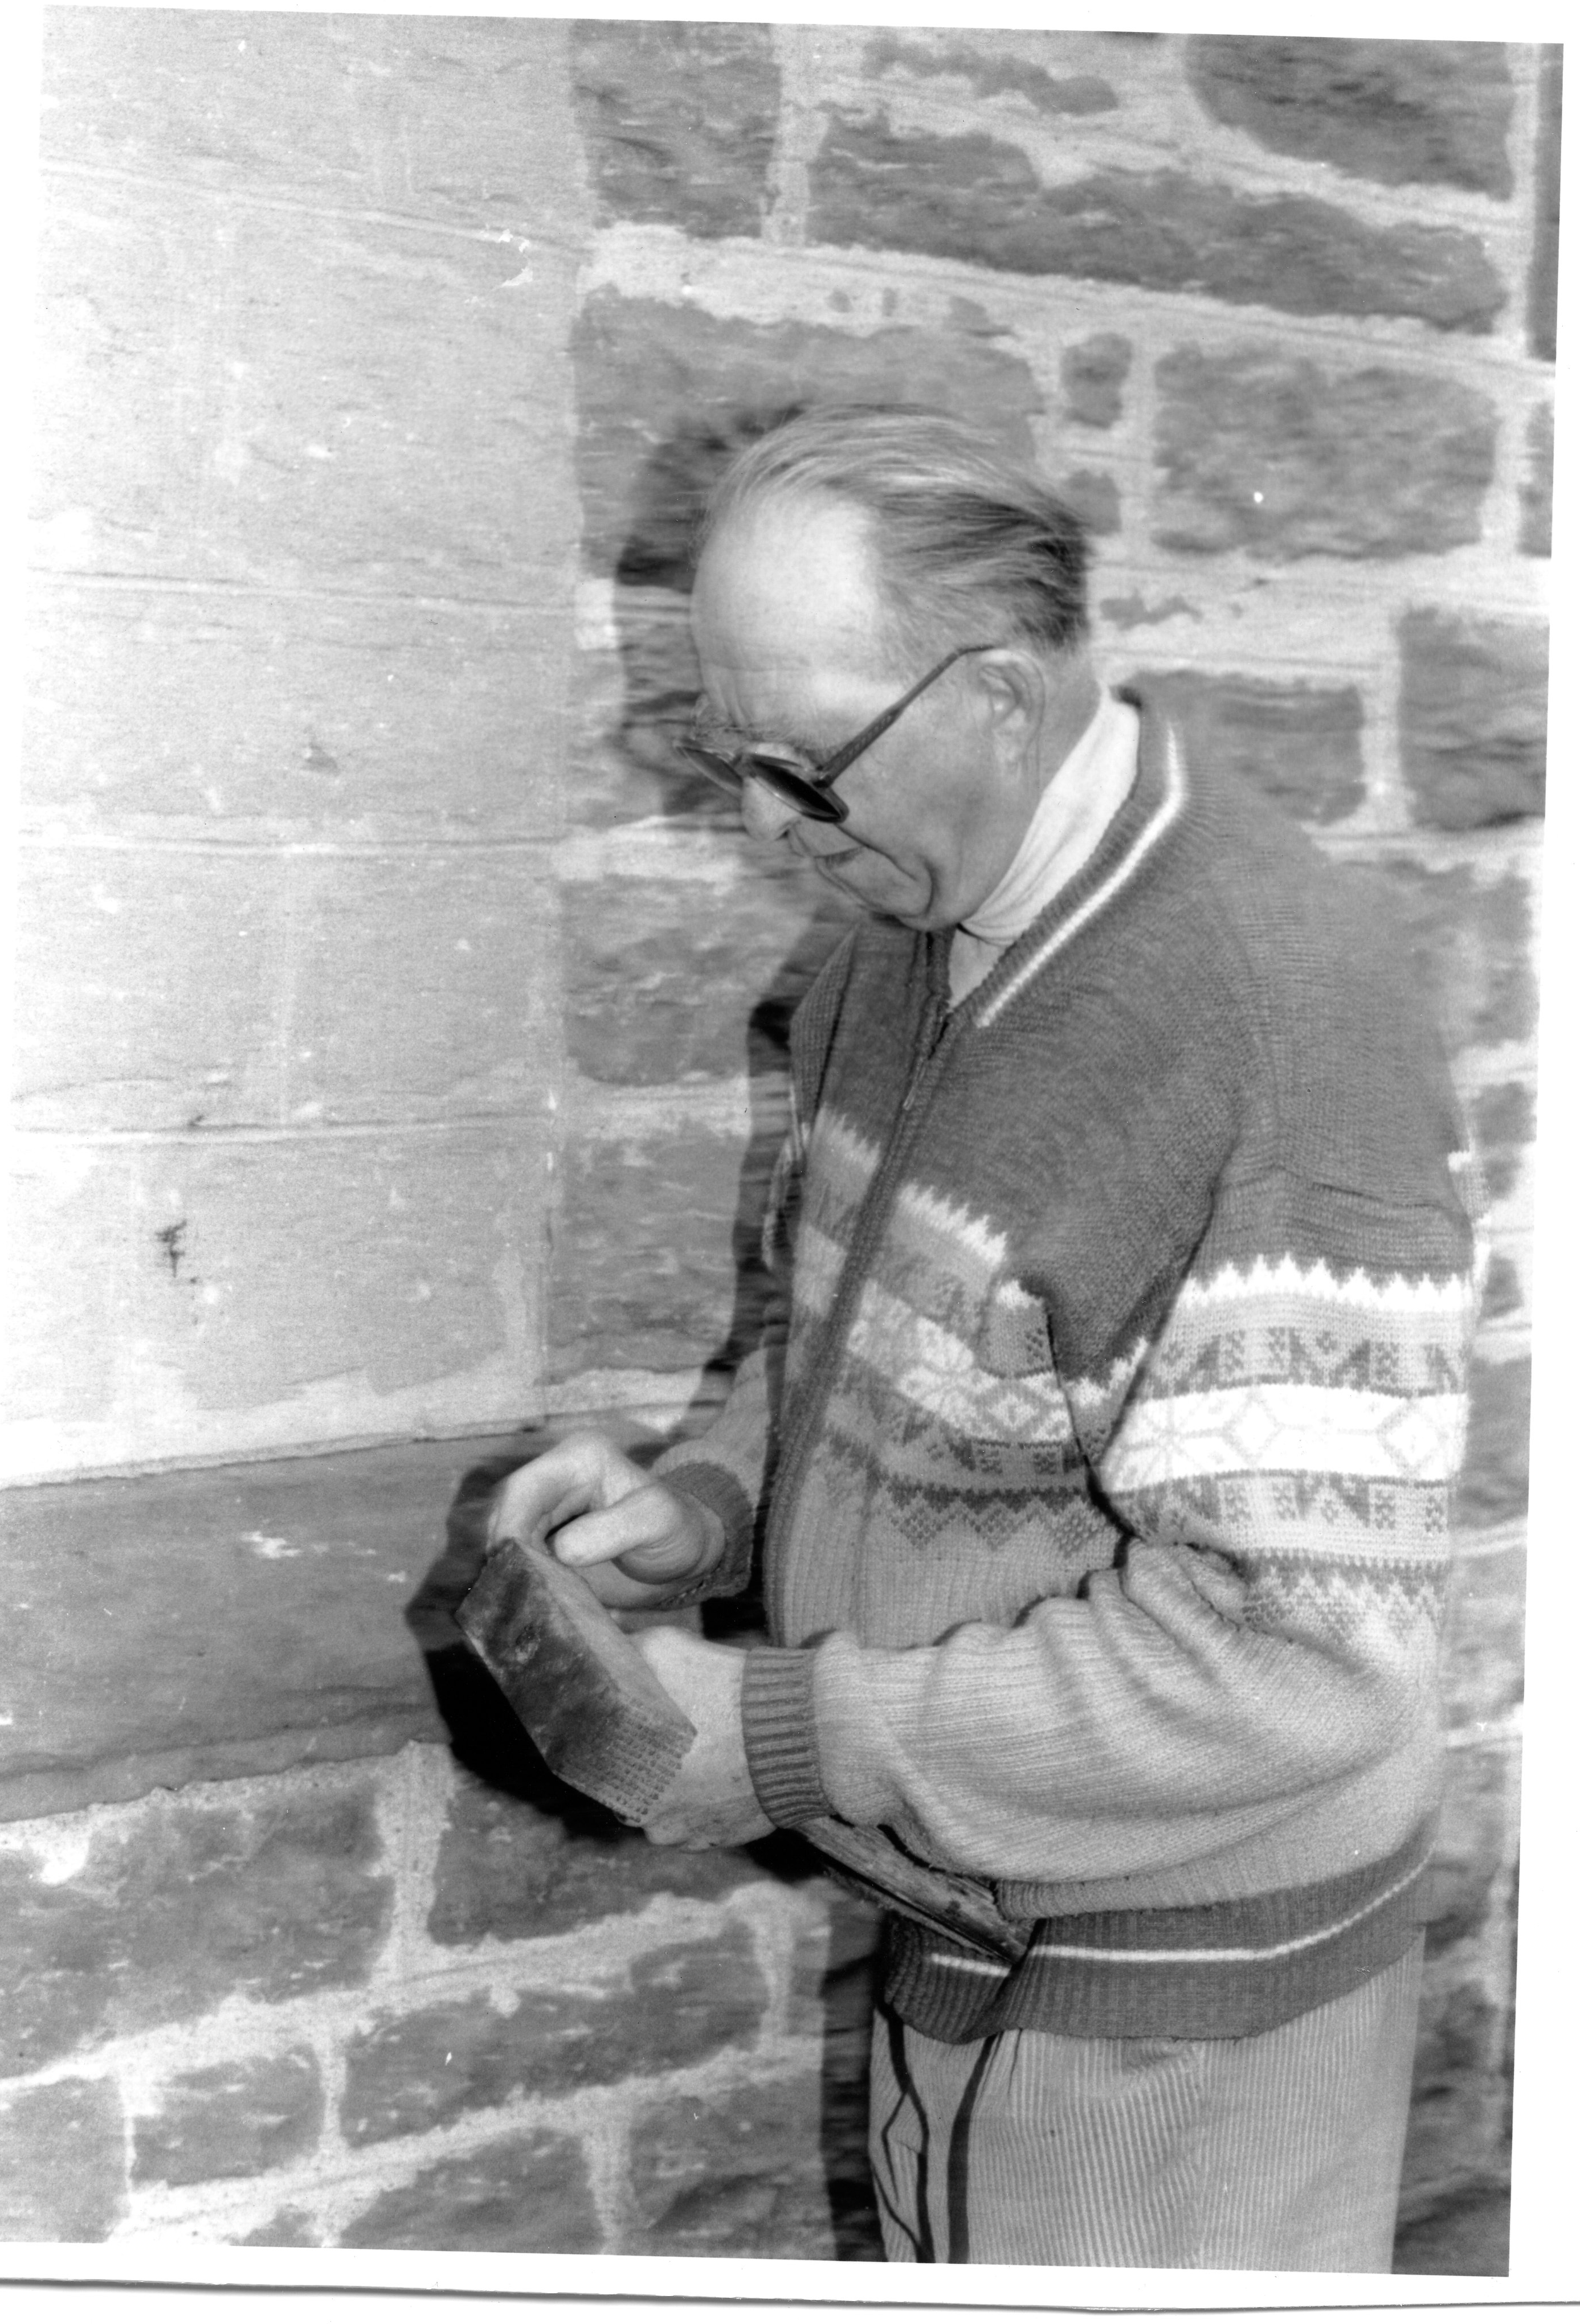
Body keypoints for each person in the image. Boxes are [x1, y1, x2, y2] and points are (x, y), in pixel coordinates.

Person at [488, 406, 1480, 2270]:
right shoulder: (905, 926)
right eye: (726, 760)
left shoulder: (1272, 1026)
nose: (770, 828)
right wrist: (701, 1503)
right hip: (975, 1905)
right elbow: (861, 1329)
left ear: (1005, 698)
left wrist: (780, 1736)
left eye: (802, 766)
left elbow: (1304, 1665)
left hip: (1182, 2002)